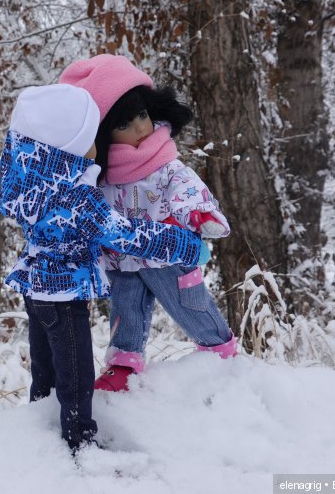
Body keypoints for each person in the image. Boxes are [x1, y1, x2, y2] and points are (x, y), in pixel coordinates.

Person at [0, 83, 207, 451]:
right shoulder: (76, 197)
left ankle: (40, 419)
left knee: (45, 364)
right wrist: (181, 244)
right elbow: (123, 235)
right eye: (91, 137)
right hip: (63, 294)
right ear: (73, 146)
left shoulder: (33, 179)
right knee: (76, 373)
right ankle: (80, 441)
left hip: (35, 287)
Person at [59, 55, 237, 393]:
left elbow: (185, 186)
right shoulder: (100, 176)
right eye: (123, 124)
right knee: (126, 311)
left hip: (167, 254)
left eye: (142, 115)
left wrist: (198, 214)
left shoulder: (164, 162)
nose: (140, 128)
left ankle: (221, 351)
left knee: (191, 305)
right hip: (122, 260)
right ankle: (124, 365)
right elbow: (90, 211)